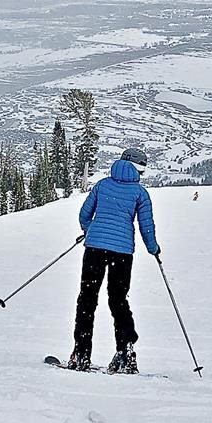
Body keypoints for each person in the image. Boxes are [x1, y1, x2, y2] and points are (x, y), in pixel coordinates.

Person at [69, 148, 160, 374]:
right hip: (122, 252)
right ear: (136, 167)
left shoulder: (102, 185)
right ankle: (125, 351)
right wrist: (153, 249)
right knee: (118, 300)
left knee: (87, 299)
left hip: (95, 250)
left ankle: (80, 354)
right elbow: (145, 226)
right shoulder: (139, 192)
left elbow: (84, 215)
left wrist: (91, 231)